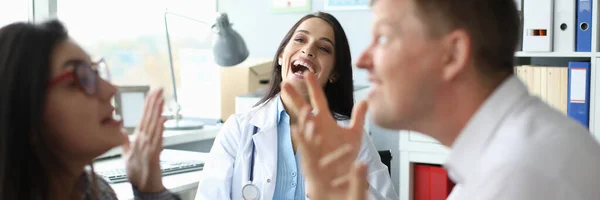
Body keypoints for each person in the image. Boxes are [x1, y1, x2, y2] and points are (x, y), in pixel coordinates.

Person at [282, 0, 600, 199]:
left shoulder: (517, 175)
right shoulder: (508, 156)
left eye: (384, 38)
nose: (362, 61)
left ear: (452, 55)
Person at [195, 12, 398, 200]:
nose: (308, 50)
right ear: (282, 55)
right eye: (300, 39)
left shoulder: (349, 136)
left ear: (335, 73)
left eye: (324, 48)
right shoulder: (238, 130)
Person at [0, 20, 180, 199]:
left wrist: (150, 188)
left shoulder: (97, 192)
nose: (111, 89)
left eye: (95, 73)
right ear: (24, 114)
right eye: (81, 78)